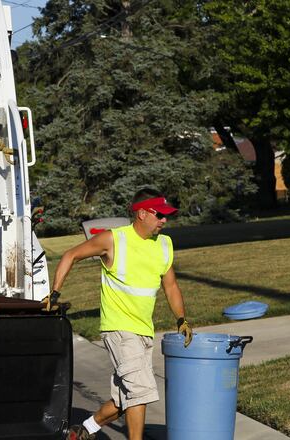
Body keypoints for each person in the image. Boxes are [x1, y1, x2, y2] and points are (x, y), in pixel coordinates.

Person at [45, 188, 193, 440]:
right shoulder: (114, 240)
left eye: (166, 215)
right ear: (142, 213)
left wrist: (181, 319)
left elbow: (171, 285)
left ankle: (84, 429)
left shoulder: (164, 244)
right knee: (141, 391)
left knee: (125, 398)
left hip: (144, 331)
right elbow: (71, 255)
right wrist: (55, 293)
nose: (164, 220)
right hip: (120, 329)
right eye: (159, 215)